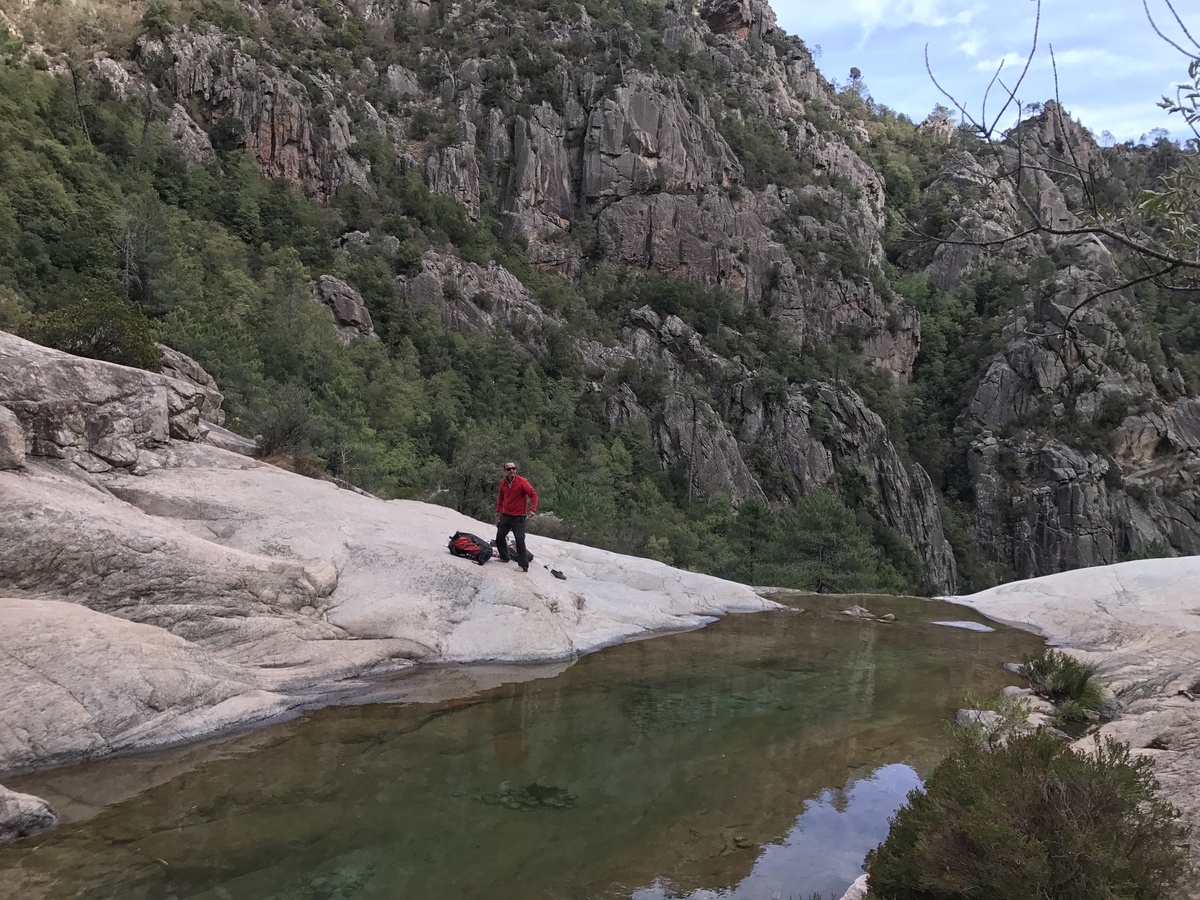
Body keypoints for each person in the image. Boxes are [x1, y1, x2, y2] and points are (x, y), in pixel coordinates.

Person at [495, 460, 537, 572]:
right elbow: (501, 497)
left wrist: (532, 510)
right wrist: (498, 511)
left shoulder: (522, 481)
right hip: (506, 514)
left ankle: (523, 566)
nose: (512, 471)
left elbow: (533, 495)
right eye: (509, 469)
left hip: (519, 516)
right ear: (505, 471)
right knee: (499, 537)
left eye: (513, 468)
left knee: (519, 539)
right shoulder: (502, 483)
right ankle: (504, 557)